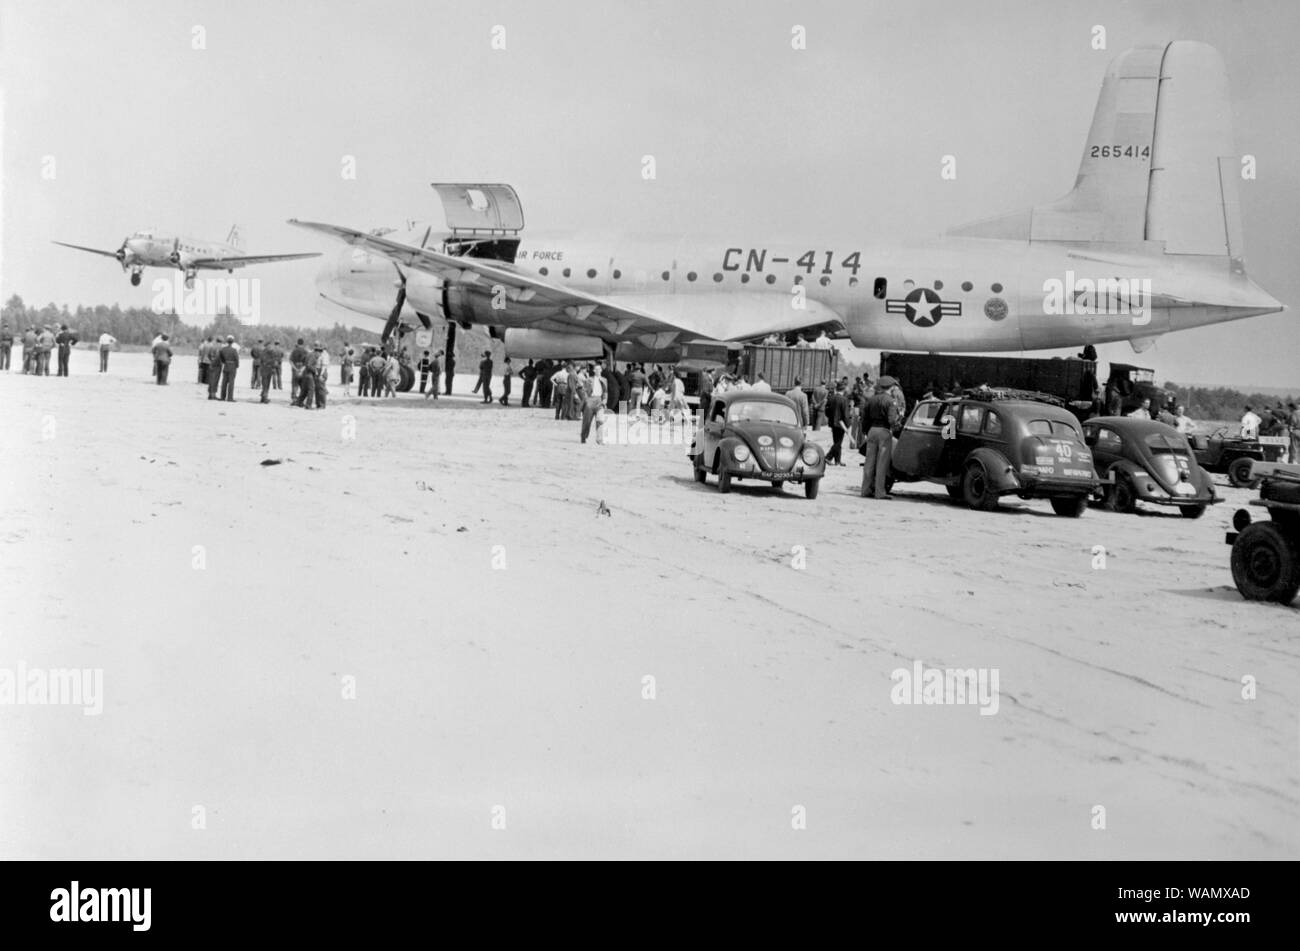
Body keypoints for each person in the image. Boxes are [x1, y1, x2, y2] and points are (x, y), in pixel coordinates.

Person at [860, 381, 901, 498]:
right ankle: (879, 492)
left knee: (869, 463)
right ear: (891, 387)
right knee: (882, 464)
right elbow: (892, 420)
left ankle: (865, 490)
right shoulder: (890, 401)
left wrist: (866, 431)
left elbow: (864, 418)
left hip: (872, 431)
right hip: (884, 431)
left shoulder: (871, 400)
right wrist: (897, 423)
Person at [580, 363, 606, 443]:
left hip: (599, 401)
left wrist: (605, 400)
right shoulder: (589, 380)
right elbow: (583, 391)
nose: (598, 371)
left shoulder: (605, 380)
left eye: (600, 369)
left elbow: (605, 391)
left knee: (600, 420)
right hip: (590, 400)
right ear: (594, 371)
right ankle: (583, 437)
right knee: (587, 422)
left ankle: (599, 439)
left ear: (601, 370)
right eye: (597, 369)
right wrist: (587, 400)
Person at [825, 382, 850, 465]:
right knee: (838, 443)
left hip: (833, 423)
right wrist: (848, 425)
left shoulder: (831, 398)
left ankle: (837, 461)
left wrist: (831, 418)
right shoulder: (844, 399)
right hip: (841, 424)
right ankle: (828, 457)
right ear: (844, 389)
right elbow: (846, 415)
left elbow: (827, 411)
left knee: (836, 441)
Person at [218, 335, 239, 401]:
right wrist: (237, 366)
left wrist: (225, 362)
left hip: (226, 366)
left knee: (224, 382)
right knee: (231, 383)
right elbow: (237, 359)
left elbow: (221, 357)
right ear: (232, 342)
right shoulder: (234, 350)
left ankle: (222, 397)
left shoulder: (223, 349)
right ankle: (230, 398)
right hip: (232, 367)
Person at [289, 339, 308, 403]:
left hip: (295, 369)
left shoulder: (294, 351)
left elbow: (290, 361)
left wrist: (296, 369)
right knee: (302, 385)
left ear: (297, 343)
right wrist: (301, 370)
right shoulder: (306, 351)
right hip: (303, 369)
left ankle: (294, 399)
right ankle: (301, 400)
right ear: (303, 343)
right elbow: (307, 363)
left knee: (295, 385)